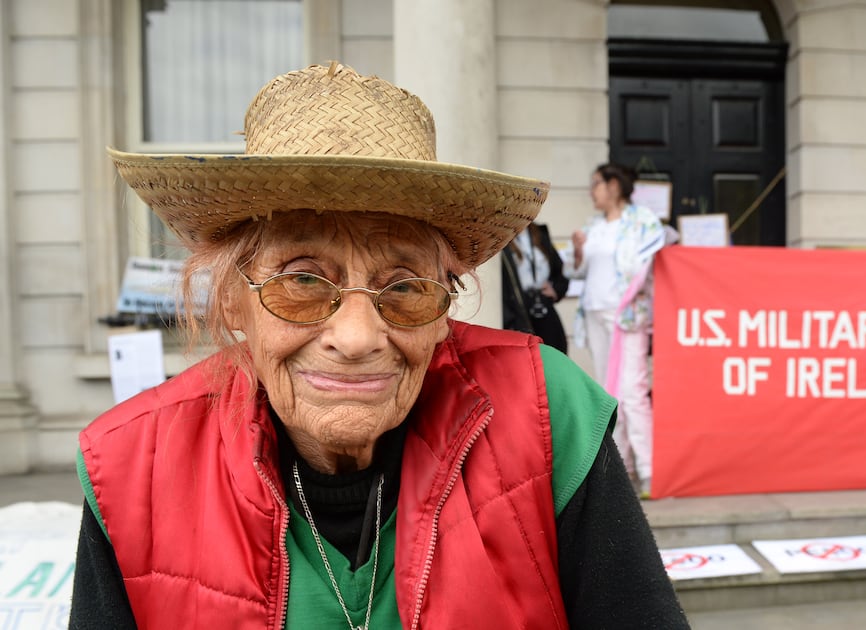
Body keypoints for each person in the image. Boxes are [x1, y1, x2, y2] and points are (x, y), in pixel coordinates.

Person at [69, 63, 690, 630]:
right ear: (234, 300)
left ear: (445, 308)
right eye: (303, 281)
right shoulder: (131, 468)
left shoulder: (547, 413)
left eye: (406, 287)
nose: (359, 337)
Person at [566, 163, 665, 496]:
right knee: (608, 392)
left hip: (626, 316)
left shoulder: (643, 222)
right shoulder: (593, 226)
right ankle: (624, 471)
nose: (592, 191)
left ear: (613, 186)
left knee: (632, 390)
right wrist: (578, 250)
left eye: (596, 184)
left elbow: (643, 266)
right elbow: (576, 271)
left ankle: (651, 471)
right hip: (595, 313)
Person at [501, 222, 569, 353]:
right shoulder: (501, 237)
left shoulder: (538, 233)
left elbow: (560, 271)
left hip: (543, 306)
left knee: (555, 353)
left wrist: (555, 290)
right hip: (520, 311)